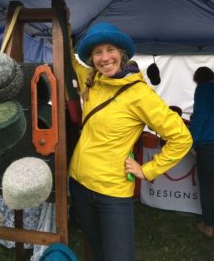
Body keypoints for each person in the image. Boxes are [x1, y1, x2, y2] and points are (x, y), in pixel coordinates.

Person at [68, 21, 192, 261]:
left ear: (122, 53)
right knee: (98, 250)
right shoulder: (93, 81)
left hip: (112, 194)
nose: (104, 58)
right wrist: (63, 26)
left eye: (110, 50)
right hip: (79, 185)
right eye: (97, 52)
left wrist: (148, 170)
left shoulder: (139, 94)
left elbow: (181, 137)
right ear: (91, 58)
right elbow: (70, 63)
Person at [190, 66, 214, 238]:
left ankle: (209, 226)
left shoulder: (203, 89)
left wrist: (192, 143)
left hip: (208, 145)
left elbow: (200, 116)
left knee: (206, 185)